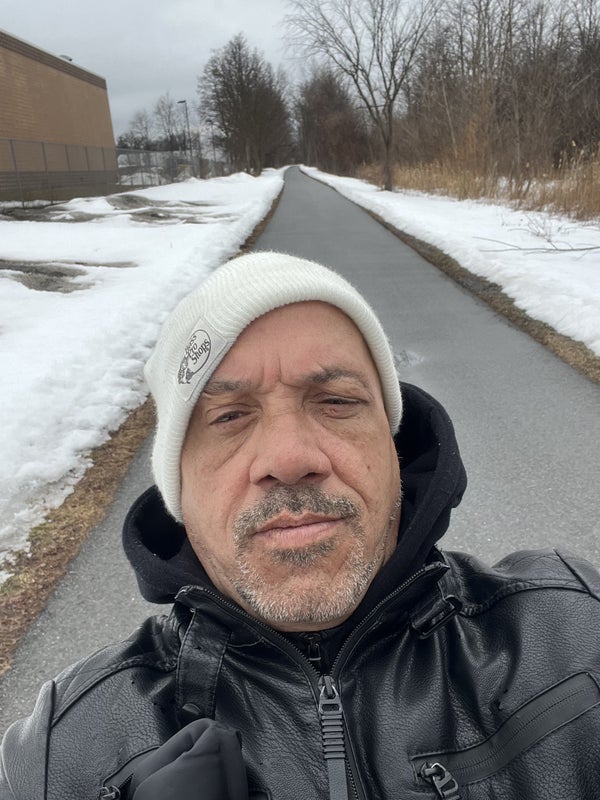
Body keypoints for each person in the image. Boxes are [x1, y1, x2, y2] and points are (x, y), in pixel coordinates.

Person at [1, 251, 599, 800]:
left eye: (336, 401)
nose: (289, 458)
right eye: (229, 416)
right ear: (178, 486)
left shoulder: (573, 634)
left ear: (393, 449)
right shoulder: (65, 752)